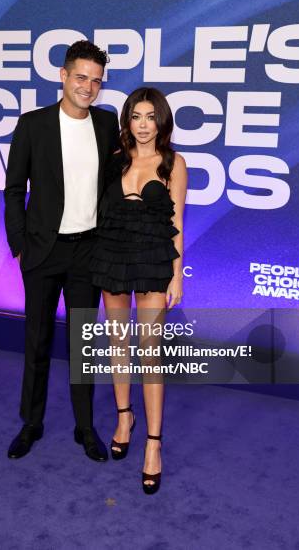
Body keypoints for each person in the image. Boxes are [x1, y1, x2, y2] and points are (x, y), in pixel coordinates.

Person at [4, 40, 119, 462]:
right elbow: (14, 189)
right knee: (37, 341)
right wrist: (19, 243)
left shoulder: (107, 125)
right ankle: (31, 423)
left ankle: (85, 427)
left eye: (96, 81)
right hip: (42, 252)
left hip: (87, 252)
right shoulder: (33, 125)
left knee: (84, 347)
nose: (88, 87)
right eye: (81, 77)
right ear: (63, 76)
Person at [90, 87, 187, 493]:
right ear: (127, 120)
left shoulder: (173, 163)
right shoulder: (114, 161)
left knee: (150, 354)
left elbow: (178, 221)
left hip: (152, 261)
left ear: (161, 121)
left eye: (151, 117)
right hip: (112, 254)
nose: (144, 125)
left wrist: (176, 275)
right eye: (136, 116)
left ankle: (153, 444)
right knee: (118, 344)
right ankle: (124, 416)